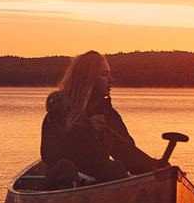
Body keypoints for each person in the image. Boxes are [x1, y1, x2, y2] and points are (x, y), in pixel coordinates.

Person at [40, 51, 164, 186]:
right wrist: (88, 130)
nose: (111, 80)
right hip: (66, 182)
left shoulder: (108, 115)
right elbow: (50, 154)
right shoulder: (58, 112)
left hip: (99, 181)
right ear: (87, 78)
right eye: (104, 75)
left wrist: (155, 166)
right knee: (65, 168)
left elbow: (125, 151)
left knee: (116, 169)